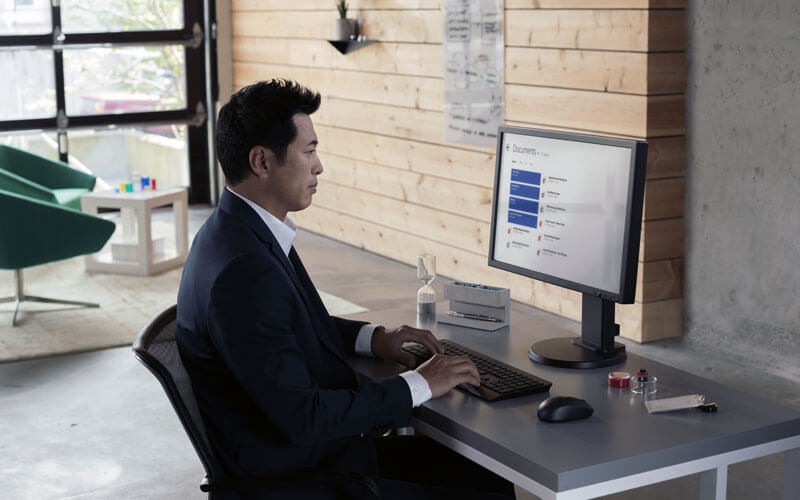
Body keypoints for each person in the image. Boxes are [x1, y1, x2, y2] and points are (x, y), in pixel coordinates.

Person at [175, 79, 516, 499]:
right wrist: (421, 383)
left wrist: (374, 338)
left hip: (307, 458)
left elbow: (287, 323)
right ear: (262, 161)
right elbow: (304, 418)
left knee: (480, 474)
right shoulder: (244, 270)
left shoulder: (236, 230)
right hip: (305, 476)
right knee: (488, 490)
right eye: (310, 151)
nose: (319, 167)